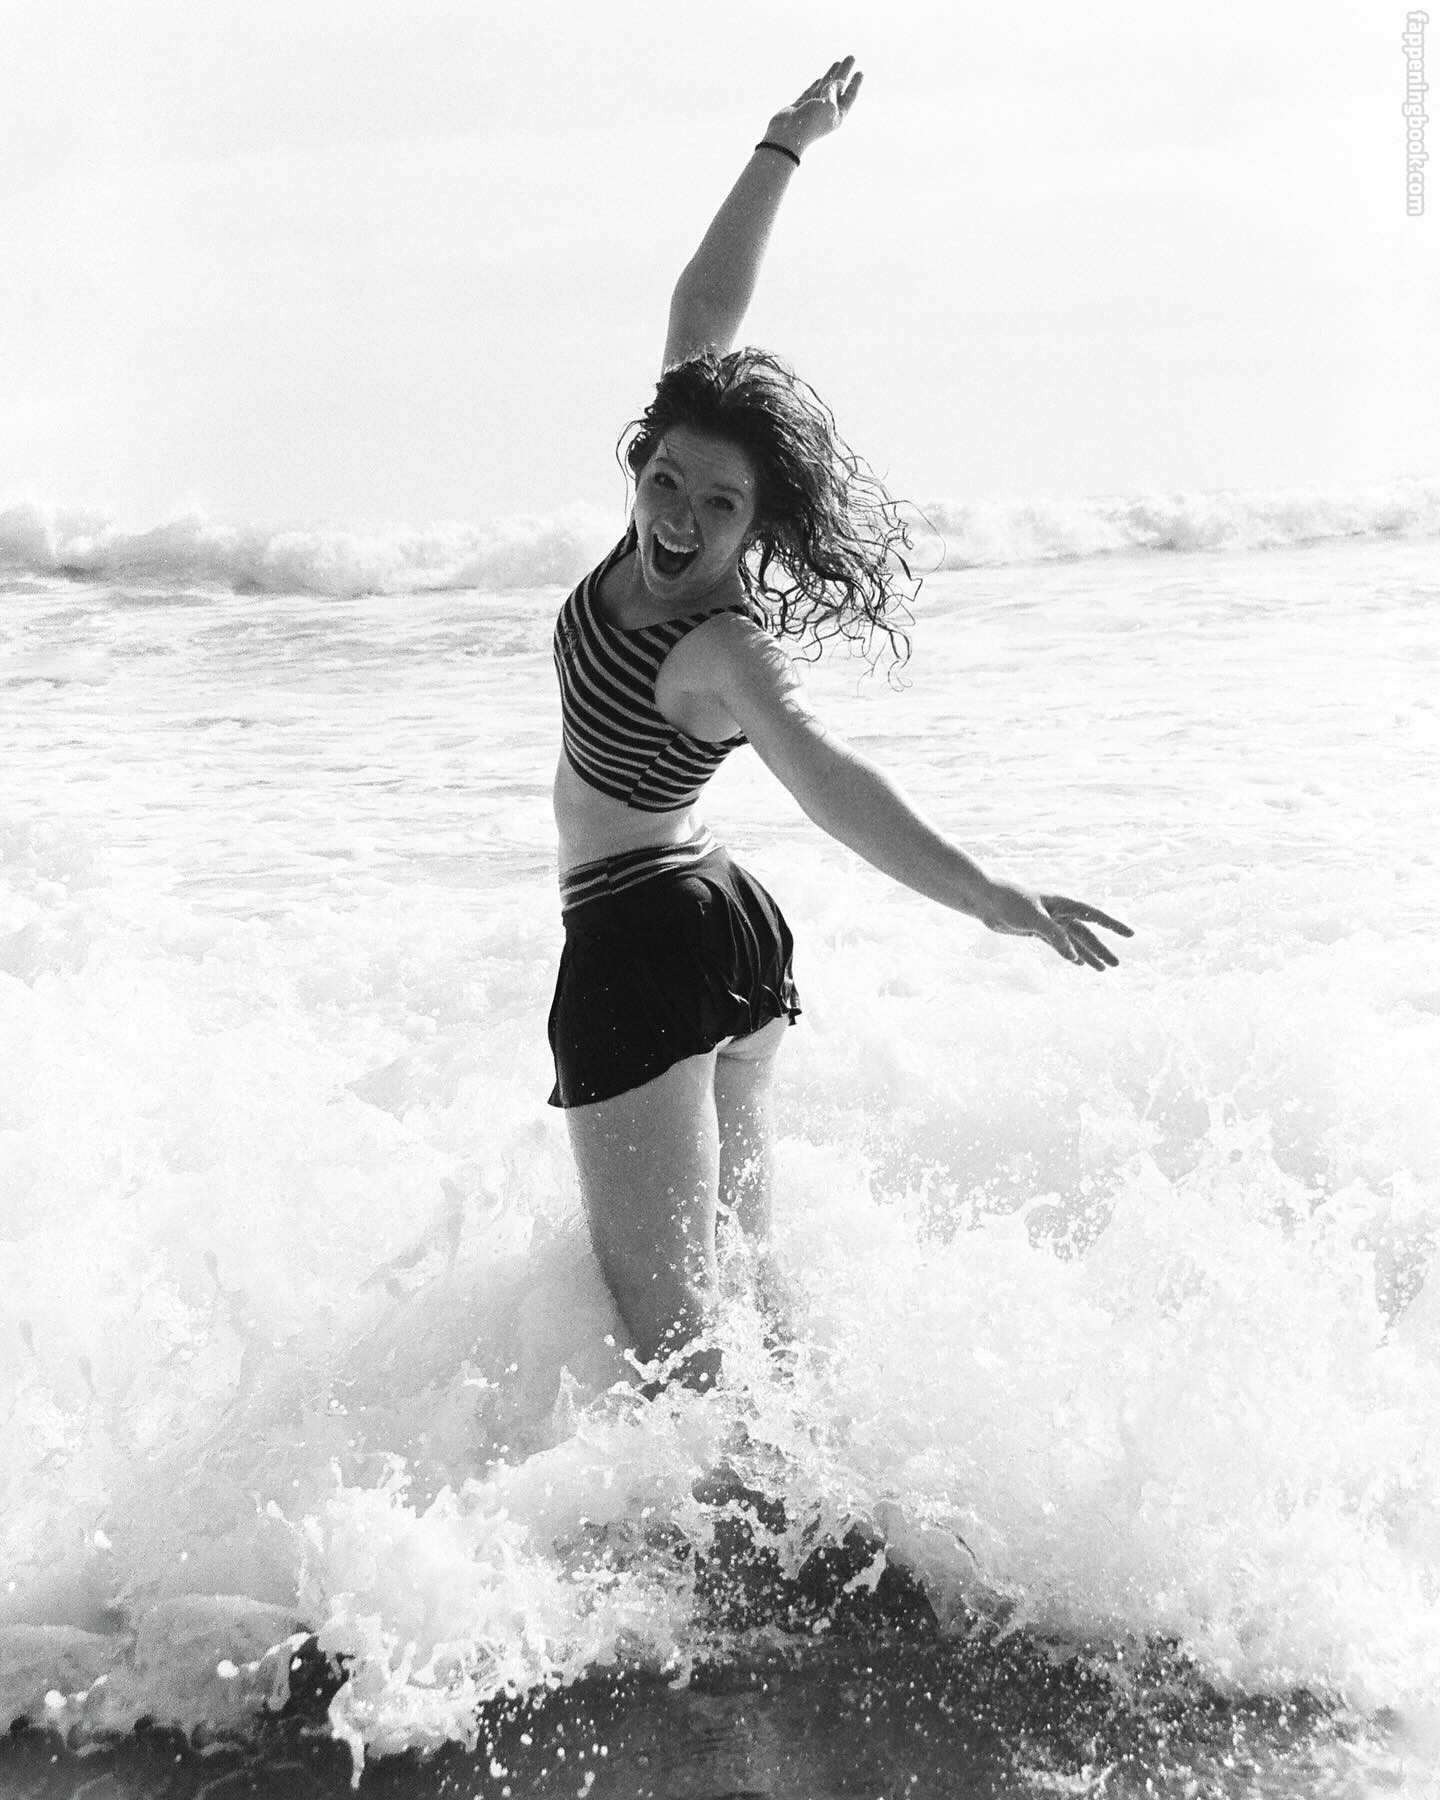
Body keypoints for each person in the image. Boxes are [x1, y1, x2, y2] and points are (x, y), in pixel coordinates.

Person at [547, 56, 1132, 1393]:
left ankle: (781, 1524)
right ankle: (838, 1506)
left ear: (760, 525)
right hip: (720, 923)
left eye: (721, 508)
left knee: (681, 1364)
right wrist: (783, 145)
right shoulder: (653, 539)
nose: (683, 519)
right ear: (644, 463)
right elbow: (703, 310)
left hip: (642, 948)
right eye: (668, 483)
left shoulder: (719, 642)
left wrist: (986, 895)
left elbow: (828, 779)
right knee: (750, 1321)